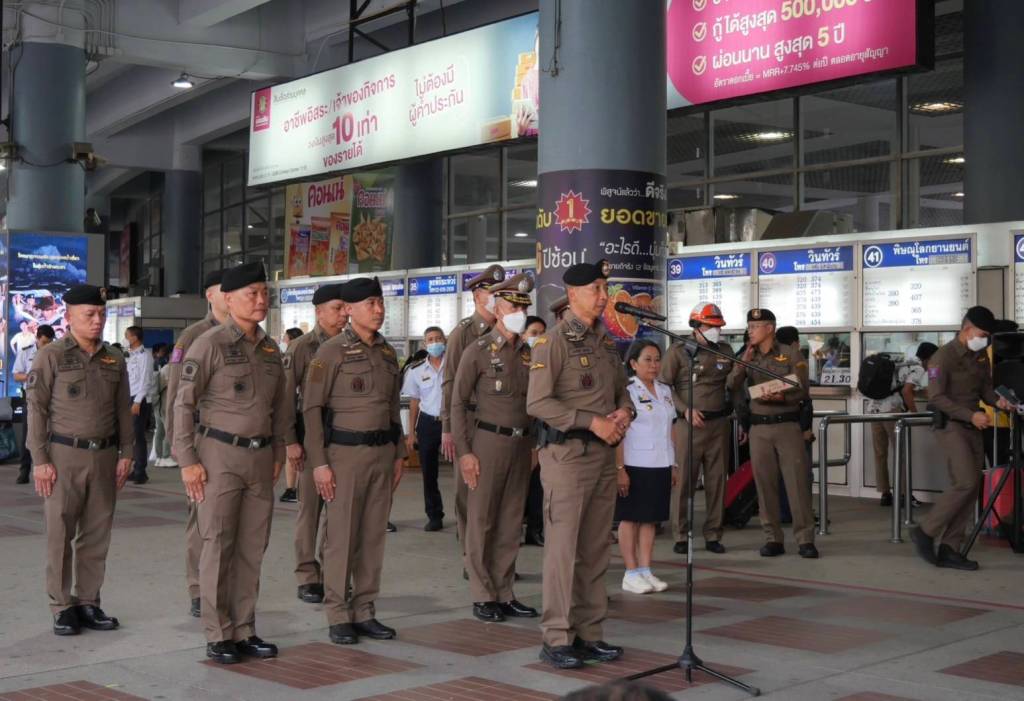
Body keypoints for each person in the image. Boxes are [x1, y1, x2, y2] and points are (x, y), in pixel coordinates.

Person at [174, 261, 291, 665]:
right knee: (218, 545)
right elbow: (183, 405)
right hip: (218, 456)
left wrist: (278, 453)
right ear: (228, 298)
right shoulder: (209, 343)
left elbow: (281, 410)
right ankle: (218, 633)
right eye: (251, 294)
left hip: (260, 458)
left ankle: (244, 628)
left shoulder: (271, 349)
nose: (260, 300)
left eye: (264, 293)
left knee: (252, 547)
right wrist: (187, 460)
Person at [527, 259, 633, 670]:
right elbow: (538, 403)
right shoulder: (552, 342)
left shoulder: (605, 343)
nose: (604, 297)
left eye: (605, 288)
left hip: (603, 457)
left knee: (595, 549)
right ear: (572, 295)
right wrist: (592, 422)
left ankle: (589, 633)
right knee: (563, 550)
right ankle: (556, 637)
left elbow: (621, 391)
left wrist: (625, 412)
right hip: (568, 457)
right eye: (595, 290)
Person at [302, 277, 406, 646]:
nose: (378, 310)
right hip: (343, 457)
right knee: (341, 537)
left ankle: (365, 609)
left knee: (372, 536)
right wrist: (319, 463)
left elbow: (392, 409)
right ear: (348, 309)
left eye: (380, 302)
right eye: (370, 304)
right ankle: (338, 613)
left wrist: (399, 454)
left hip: (381, 455)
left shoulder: (387, 352)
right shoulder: (330, 352)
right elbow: (311, 409)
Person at [26, 285, 133, 636]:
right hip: (63, 456)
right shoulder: (52, 356)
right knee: (60, 533)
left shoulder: (113, 358)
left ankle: (88, 601)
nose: (97, 320)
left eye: (101, 313)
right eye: (89, 314)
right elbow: (37, 409)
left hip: (104, 456)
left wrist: (127, 452)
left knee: (96, 534)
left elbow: (123, 410)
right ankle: (61, 606)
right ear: (69, 316)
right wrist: (40, 459)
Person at [452, 273, 538, 623]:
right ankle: (482, 594)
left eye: (524, 308)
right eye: (514, 308)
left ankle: (504, 591)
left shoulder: (528, 353)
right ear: (498, 309)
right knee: (482, 521)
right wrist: (465, 452)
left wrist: (535, 446)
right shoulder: (478, 350)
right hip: (487, 442)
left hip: (521, 444)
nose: (520, 313)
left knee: (511, 521)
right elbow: (458, 402)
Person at [911, 306, 1014, 571]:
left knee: (972, 486)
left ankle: (950, 547)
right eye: (983, 334)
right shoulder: (942, 358)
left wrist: (999, 401)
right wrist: (971, 415)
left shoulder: (979, 356)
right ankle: (925, 530)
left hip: (973, 425)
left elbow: (985, 389)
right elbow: (936, 397)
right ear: (967, 329)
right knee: (966, 481)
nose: (985, 340)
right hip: (951, 426)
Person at [729, 308, 818, 559]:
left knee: (796, 483)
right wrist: (743, 362)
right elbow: (731, 385)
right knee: (765, 485)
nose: (750, 331)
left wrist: (783, 397)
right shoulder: (748, 354)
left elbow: (802, 389)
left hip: (787, 425)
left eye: (755, 327)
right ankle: (773, 538)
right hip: (759, 428)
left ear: (770, 328)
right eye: (749, 326)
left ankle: (805, 539)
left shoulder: (790, 353)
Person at [165, 269, 228, 619]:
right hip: (202, 439)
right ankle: (198, 588)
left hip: (236, 446)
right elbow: (176, 396)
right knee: (201, 518)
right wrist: (181, 447)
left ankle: (223, 585)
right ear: (210, 295)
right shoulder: (193, 336)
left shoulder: (249, 335)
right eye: (224, 289)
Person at [283, 283, 348, 604]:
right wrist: (290, 442)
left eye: (345, 308)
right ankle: (307, 575)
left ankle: (333, 572)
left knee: (340, 512)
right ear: (319, 312)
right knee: (310, 510)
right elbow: (285, 397)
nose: (343, 314)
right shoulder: (302, 347)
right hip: (310, 439)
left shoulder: (351, 344)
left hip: (345, 440)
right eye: (337, 308)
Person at [441, 264, 505, 563]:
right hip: (469, 422)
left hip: (501, 423)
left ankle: (494, 556)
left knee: (498, 494)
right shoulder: (463, 333)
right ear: (478, 296)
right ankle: (471, 556)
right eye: (492, 293)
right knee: (469, 491)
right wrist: (448, 428)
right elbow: (450, 383)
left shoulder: (507, 330)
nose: (497, 299)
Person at [659, 303, 733, 556]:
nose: (716, 331)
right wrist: (685, 410)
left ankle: (713, 534)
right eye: (710, 326)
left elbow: (732, 385)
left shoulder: (725, 350)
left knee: (717, 481)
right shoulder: (678, 351)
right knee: (684, 482)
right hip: (688, 425)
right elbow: (663, 387)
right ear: (695, 326)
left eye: (718, 327)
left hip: (719, 424)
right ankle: (681, 534)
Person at [616, 340, 677, 594]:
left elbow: (670, 428)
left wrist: (673, 463)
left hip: (660, 462)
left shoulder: (665, 390)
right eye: (647, 360)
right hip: (635, 462)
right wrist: (619, 468)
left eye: (657, 359)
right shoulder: (628, 391)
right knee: (630, 518)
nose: (654, 365)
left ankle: (645, 569)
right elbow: (619, 432)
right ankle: (630, 572)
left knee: (650, 518)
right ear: (633, 363)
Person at [865, 342, 937, 506]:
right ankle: (904, 494)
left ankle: (885, 494)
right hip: (892, 410)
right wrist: (915, 413)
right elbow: (906, 391)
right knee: (901, 453)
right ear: (929, 357)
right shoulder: (917, 368)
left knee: (880, 453)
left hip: (874, 409)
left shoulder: (902, 362)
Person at [402, 326, 448, 532]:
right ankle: (434, 515)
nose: (435, 342)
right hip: (428, 424)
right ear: (424, 344)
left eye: (438, 338)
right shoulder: (416, 370)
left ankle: (466, 516)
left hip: (451, 423)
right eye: (430, 339)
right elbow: (414, 402)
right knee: (429, 473)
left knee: (463, 471)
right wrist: (411, 433)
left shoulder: (455, 364)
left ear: (445, 341)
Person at [13, 324, 55, 484]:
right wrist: (30, 376)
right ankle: (24, 470)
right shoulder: (26, 352)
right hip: (31, 397)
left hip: (53, 397)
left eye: (49, 342)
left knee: (54, 432)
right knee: (29, 433)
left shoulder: (55, 353)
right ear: (37, 338)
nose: (46, 346)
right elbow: (16, 375)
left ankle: (53, 467)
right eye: (44, 342)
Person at [522, 315, 547, 547]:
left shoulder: (549, 358)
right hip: (519, 428)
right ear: (523, 335)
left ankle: (535, 529)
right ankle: (515, 529)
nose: (538, 337)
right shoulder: (515, 360)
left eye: (542, 333)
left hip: (542, 429)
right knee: (518, 483)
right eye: (533, 333)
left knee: (538, 482)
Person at [124, 326, 155, 485]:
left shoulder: (145, 356)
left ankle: (140, 471)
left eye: (127, 336)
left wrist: (137, 401)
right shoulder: (130, 355)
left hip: (139, 399)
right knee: (130, 435)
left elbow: (146, 380)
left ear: (135, 338)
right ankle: (135, 468)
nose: (125, 339)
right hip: (128, 397)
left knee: (138, 435)